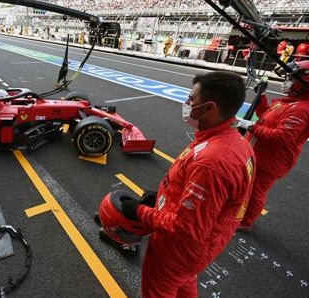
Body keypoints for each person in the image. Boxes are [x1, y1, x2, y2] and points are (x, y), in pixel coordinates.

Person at [122, 71, 255, 298]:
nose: (186, 103)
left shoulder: (212, 161)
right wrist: (162, 200)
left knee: (159, 290)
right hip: (200, 247)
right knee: (184, 283)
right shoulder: (236, 142)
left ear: (209, 108)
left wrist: (141, 212)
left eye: (192, 99)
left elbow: (186, 228)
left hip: (177, 250)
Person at [237, 60, 309, 230]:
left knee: (255, 192)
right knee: (246, 186)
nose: (286, 82)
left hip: (272, 160)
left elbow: (281, 137)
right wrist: (261, 96)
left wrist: (251, 126)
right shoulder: (290, 102)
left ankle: (245, 222)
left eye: (291, 78)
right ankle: (237, 212)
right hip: (259, 154)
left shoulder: (301, 109)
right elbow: (265, 115)